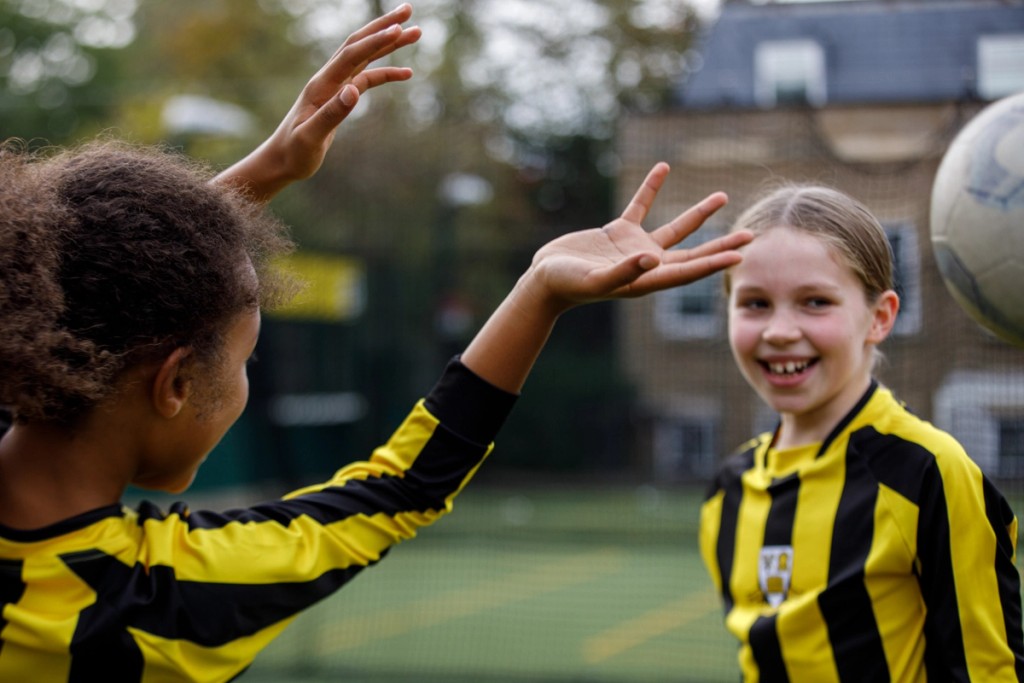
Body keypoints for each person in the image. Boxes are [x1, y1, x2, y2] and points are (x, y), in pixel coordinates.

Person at [0, 5, 752, 682]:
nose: (244, 383)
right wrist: (540, 293)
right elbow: (403, 487)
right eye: (242, 361)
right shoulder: (160, 603)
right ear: (174, 385)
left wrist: (267, 170)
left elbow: (87, 283)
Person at [698, 183, 1024, 682]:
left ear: (880, 317)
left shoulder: (929, 473)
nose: (779, 331)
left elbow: (988, 672)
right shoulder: (727, 492)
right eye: (755, 303)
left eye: (815, 301)